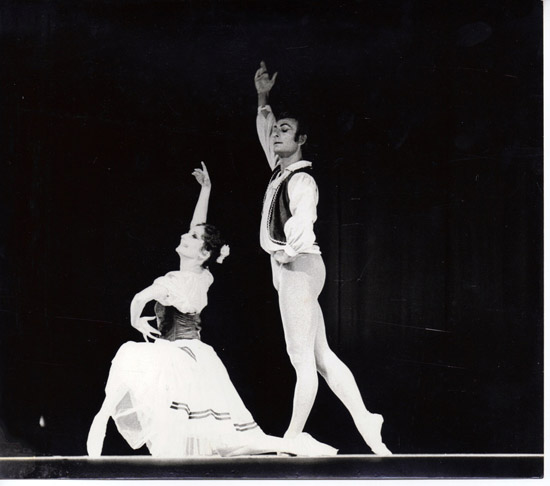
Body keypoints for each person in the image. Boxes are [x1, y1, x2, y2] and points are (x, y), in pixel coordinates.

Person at [86, 162, 337, 458]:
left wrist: (135, 321)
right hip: (195, 359)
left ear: (204, 252)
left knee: (199, 432)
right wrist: (205, 191)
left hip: (179, 360)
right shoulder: (202, 275)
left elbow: (141, 298)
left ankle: (98, 433)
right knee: (214, 439)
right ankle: (293, 445)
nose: (185, 235)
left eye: (192, 239)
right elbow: (198, 231)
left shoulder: (179, 282)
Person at [254, 61, 391, 456]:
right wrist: (264, 97)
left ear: (302, 140)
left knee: (301, 359)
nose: (277, 134)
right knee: (321, 357)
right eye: (277, 129)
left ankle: (293, 436)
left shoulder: (300, 178)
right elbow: (266, 134)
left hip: (298, 266)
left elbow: (304, 217)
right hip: (292, 269)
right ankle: (367, 421)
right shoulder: (278, 172)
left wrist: (287, 251)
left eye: (286, 130)